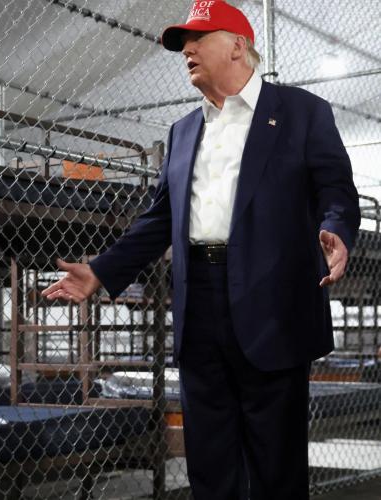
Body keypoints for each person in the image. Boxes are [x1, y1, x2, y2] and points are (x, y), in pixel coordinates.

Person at [41, 1, 360, 499]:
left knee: (276, 469)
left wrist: (336, 229)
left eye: (198, 39)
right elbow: (160, 220)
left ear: (237, 45)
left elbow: (336, 188)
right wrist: (100, 271)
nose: (186, 51)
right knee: (210, 467)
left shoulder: (301, 112)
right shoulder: (183, 130)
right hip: (200, 307)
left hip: (274, 302)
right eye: (182, 44)